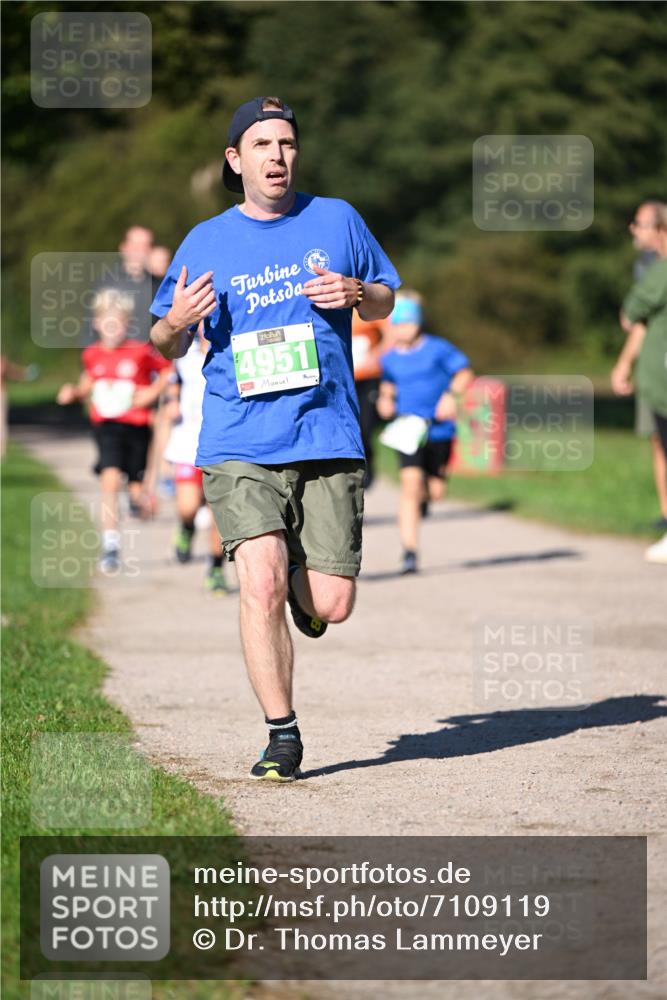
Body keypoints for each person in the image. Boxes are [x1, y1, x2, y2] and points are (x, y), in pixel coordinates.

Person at [150, 96, 400, 781]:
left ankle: (301, 579)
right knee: (255, 583)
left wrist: (356, 294)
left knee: (332, 604)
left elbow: (385, 297)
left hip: (326, 432)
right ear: (236, 159)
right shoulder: (206, 240)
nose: (277, 156)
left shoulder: (336, 219)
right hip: (239, 437)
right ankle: (281, 735)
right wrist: (175, 320)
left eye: (286, 143)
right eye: (261, 145)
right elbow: (164, 342)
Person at [58, 288, 172, 572]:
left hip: (136, 427)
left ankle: (137, 499)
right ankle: (110, 545)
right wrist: (72, 393)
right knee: (109, 480)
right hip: (106, 426)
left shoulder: (140, 351)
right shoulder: (91, 355)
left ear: (126, 323)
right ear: (97, 324)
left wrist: (151, 393)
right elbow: (87, 386)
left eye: (118, 322)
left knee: (135, 490)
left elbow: (169, 370)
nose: (112, 328)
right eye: (106, 322)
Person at [377, 290, 473, 575]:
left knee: (436, 491)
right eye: (396, 325)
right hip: (408, 431)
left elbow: (465, 373)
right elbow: (388, 384)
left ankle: (426, 499)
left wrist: (451, 396)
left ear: (418, 323)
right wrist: (385, 399)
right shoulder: (390, 359)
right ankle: (409, 551)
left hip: (440, 431)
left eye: (407, 324)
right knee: (410, 486)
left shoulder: (438, 349)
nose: (401, 330)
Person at [612, 200, 667, 530]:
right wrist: (624, 363)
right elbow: (643, 324)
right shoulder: (650, 265)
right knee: (659, 442)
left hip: (661, 376)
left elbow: (630, 316)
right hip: (653, 371)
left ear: (661, 228)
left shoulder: (660, 270)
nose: (634, 229)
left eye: (640, 223)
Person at [164, 323, 227, 593]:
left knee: (219, 516)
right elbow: (172, 388)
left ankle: (215, 568)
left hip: (223, 445)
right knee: (188, 506)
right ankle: (187, 527)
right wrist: (172, 403)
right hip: (188, 443)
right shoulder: (185, 360)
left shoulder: (229, 355)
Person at [351, 311, 386, 488]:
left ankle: (368, 465)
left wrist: (377, 354)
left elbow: (391, 334)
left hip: (368, 377)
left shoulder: (365, 302)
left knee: (365, 426)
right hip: (342, 377)